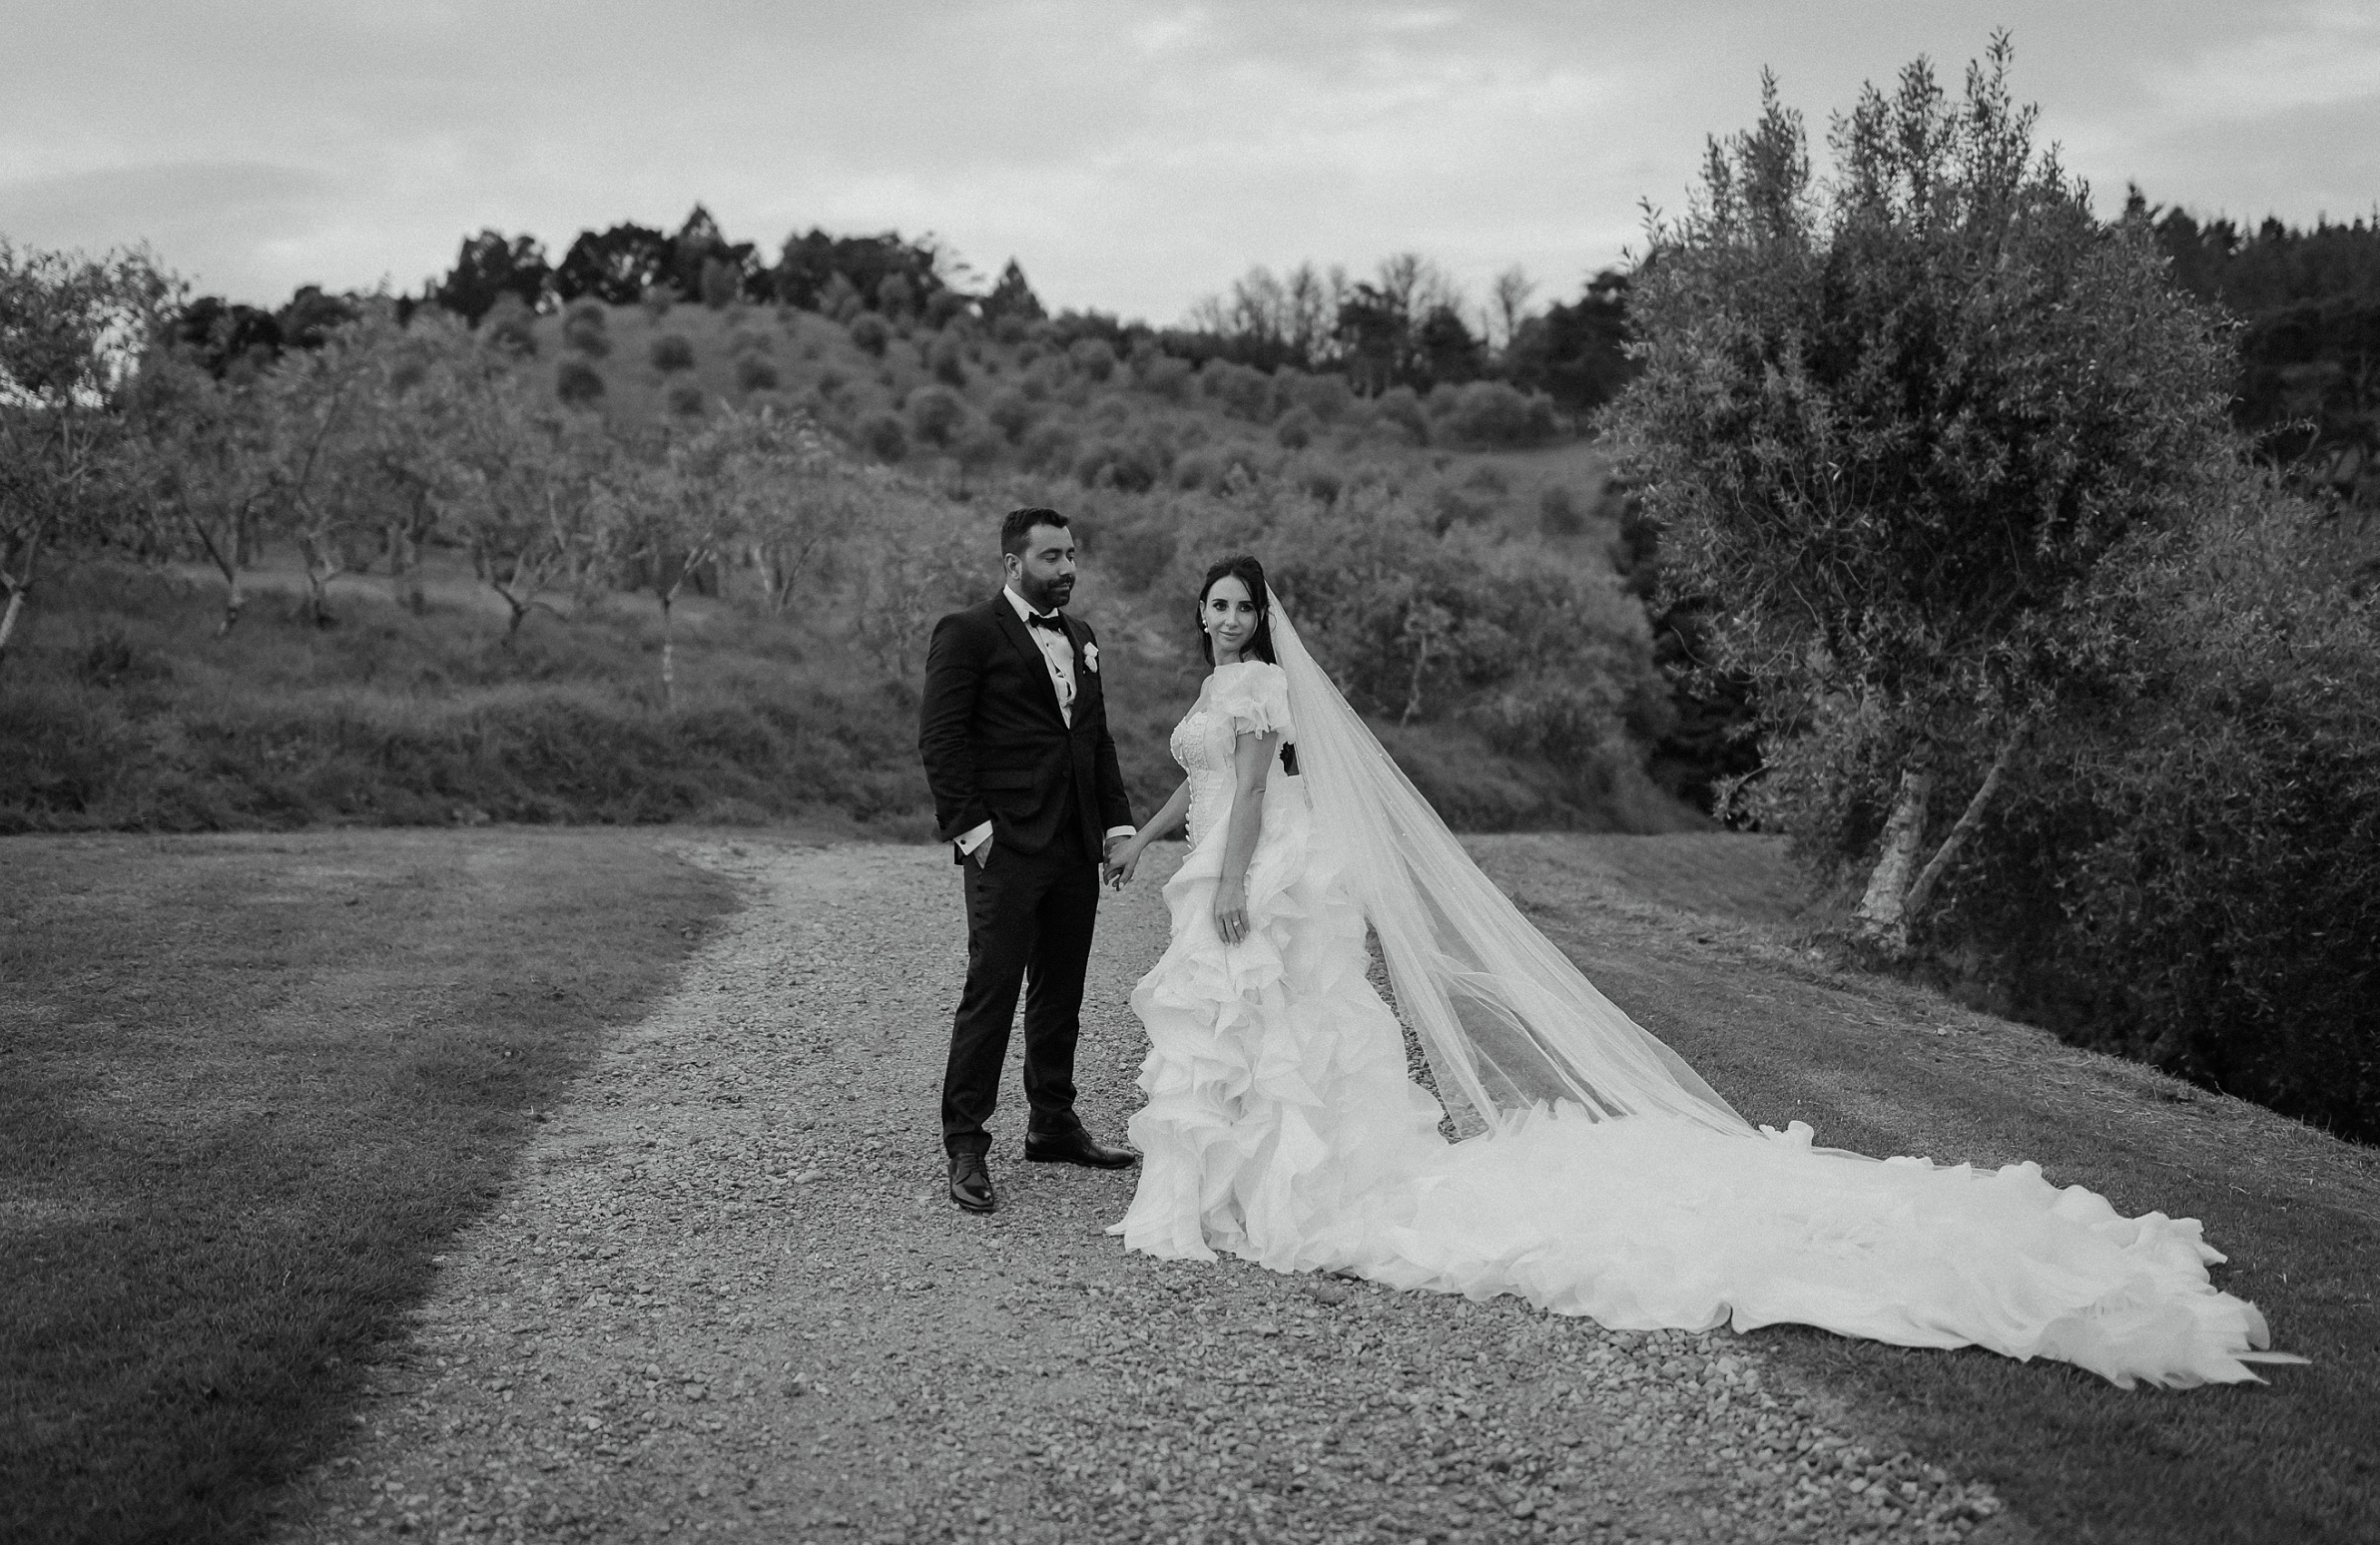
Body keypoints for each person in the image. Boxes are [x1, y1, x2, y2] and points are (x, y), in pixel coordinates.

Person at [1101, 554, 2297, 1389]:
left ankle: (1262, 1196)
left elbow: (1252, 795)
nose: (1222, 619)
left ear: (1262, 619)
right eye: (1211, 605)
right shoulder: (1219, 689)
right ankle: (1233, 1193)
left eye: (1237, 607)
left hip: (1263, 871)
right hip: (1228, 858)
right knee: (1255, 1033)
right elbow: (1199, 786)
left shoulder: (1258, 690)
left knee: (1268, 1022)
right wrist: (1149, 841)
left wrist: (1233, 887)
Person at [917, 507, 1140, 1215]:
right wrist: (974, 833)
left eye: (1072, 555)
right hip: (1006, 843)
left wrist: (1116, 825)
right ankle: (966, 1142)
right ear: (1013, 564)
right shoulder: (967, 632)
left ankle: (1053, 1122)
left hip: (1075, 843)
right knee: (992, 991)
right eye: (1052, 557)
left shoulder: (1083, 636)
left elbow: (1094, 739)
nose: (1067, 569)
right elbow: (942, 739)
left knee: (1060, 990)